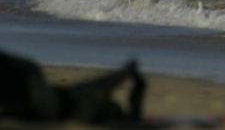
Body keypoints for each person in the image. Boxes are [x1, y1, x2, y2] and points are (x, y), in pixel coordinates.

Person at [0, 50, 145, 124]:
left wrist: (132, 71)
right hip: (35, 110)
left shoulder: (88, 96)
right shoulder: (88, 112)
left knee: (30, 69)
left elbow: (111, 80)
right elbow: (134, 119)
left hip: (46, 103)